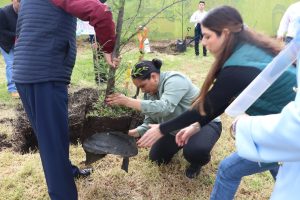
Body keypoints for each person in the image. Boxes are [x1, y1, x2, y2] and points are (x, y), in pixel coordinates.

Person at [138, 6, 297, 199]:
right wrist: (196, 127)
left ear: (226, 34)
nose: (203, 42)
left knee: (228, 170)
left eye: (207, 36)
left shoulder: (238, 67)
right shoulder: (247, 50)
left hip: (288, 132)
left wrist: (162, 129)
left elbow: (206, 107)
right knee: (281, 166)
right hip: (283, 131)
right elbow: (220, 102)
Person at [12, 0, 116, 199]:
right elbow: (100, 13)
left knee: (50, 136)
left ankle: (67, 172)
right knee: (52, 142)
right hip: (44, 75)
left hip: (25, 73)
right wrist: (108, 48)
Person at [106, 58, 222, 178]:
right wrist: (132, 133)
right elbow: (150, 121)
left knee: (195, 151)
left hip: (203, 123)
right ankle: (182, 143)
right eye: (139, 88)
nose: (142, 90)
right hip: (175, 128)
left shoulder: (175, 80)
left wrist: (128, 101)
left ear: (154, 77)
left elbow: (164, 107)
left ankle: (196, 162)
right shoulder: (149, 94)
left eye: (143, 85)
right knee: (157, 159)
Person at [0, 0, 20, 98]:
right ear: (13, 1)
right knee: (11, 63)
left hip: (19, 42)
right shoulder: (3, 12)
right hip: (6, 43)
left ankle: (21, 85)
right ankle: (13, 89)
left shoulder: (26, 12)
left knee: (21, 64)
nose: (20, 4)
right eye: (18, 1)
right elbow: (1, 31)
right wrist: (16, 36)